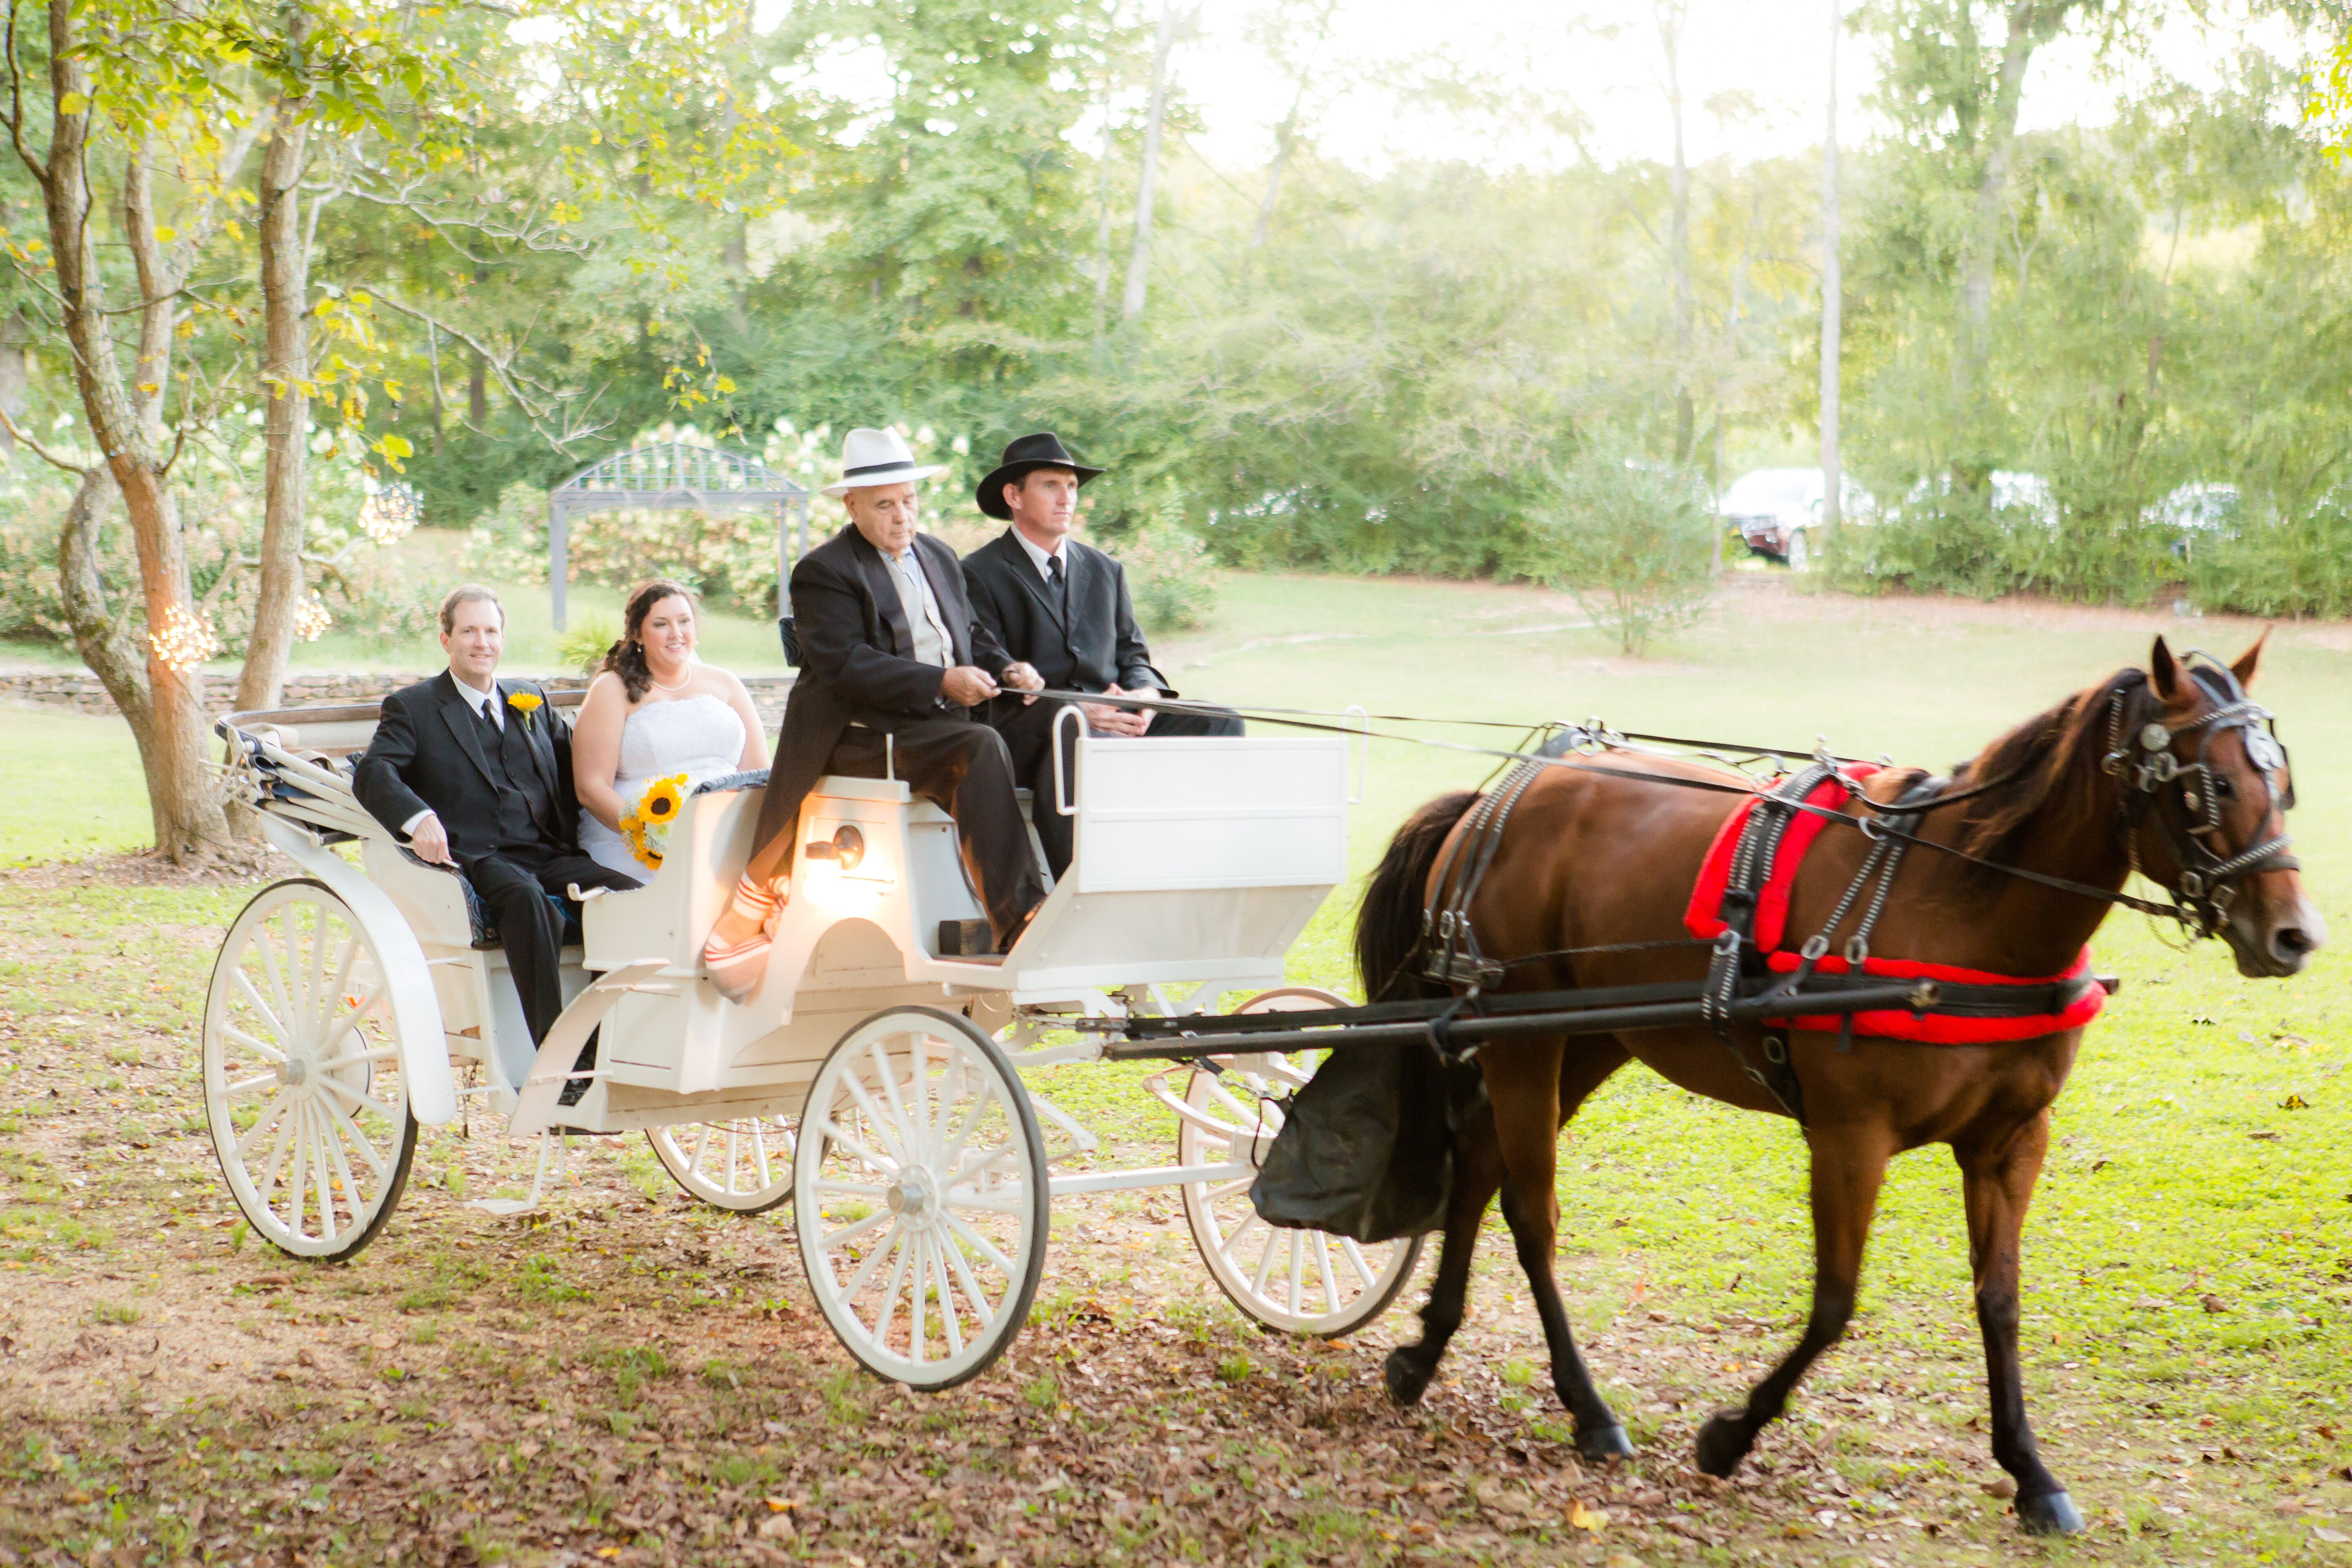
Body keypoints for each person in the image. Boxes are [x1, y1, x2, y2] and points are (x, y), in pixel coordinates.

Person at [699, 428, 1049, 1002]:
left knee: (1050, 730)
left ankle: (1073, 892)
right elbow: (848, 668)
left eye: (908, 501)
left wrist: (1009, 668)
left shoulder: (937, 555)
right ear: (852, 505)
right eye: (885, 504)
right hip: (862, 735)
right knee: (979, 748)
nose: (901, 517)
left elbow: (969, 635)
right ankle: (1020, 920)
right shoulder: (825, 571)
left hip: (938, 724)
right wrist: (941, 681)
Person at [354, 586, 641, 1092]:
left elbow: (578, 768)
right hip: (479, 858)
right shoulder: (414, 708)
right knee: (529, 901)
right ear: (446, 639)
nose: (481, 642)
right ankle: (558, 1059)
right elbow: (375, 772)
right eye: (468, 631)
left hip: (550, 851)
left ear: (502, 639)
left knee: (631, 897)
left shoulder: (529, 698)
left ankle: (606, 1042)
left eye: (490, 631)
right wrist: (417, 817)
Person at [960, 432, 1243, 879]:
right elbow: (994, 672)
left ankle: (1197, 865)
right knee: (1074, 730)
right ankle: (1082, 885)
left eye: (1072, 487)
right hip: (1033, 725)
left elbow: (1134, 655)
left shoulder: (1105, 570)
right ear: (1014, 496)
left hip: (1115, 714)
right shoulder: (977, 573)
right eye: (1051, 485)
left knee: (1221, 722)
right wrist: (1081, 709)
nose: (1066, 498)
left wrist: (1145, 699)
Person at [572, 579, 769, 882]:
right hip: (640, 843)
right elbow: (591, 787)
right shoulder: (612, 690)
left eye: (684, 621)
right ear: (637, 633)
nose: (676, 634)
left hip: (727, 834)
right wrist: (651, 835)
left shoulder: (725, 684)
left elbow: (758, 773)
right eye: (661, 624)